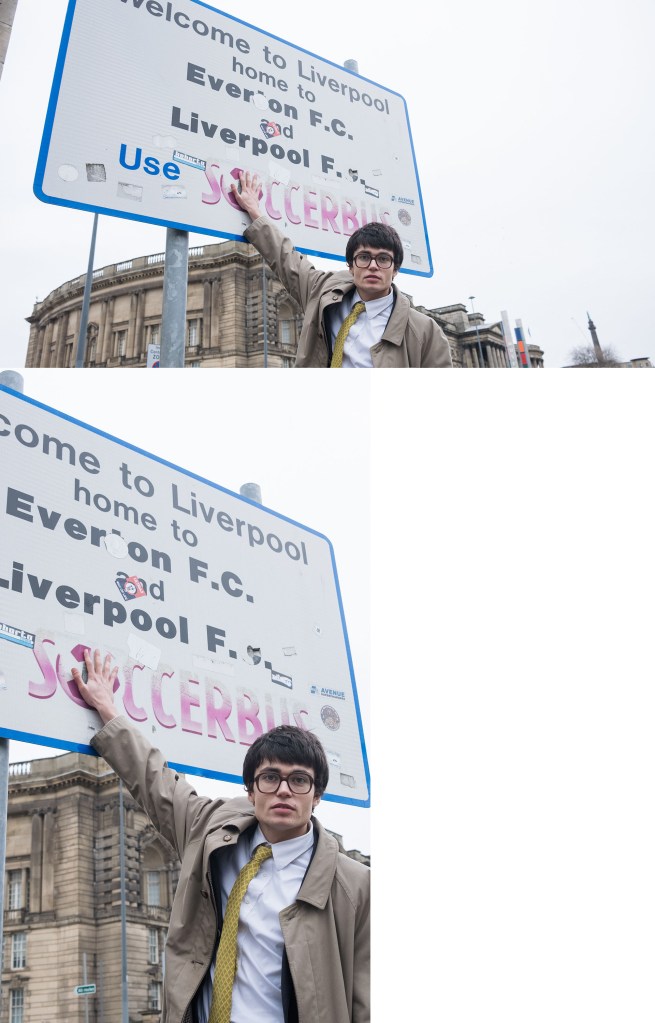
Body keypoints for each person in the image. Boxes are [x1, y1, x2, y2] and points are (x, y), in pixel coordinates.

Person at [71, 649, 369, 1023]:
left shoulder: (356, 887)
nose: (283, 791)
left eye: (299, 780)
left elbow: (366, 998)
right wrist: (107, 709)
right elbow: (156, 783)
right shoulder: (210, 830)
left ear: (317, 795)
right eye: (270, 777)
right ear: (251, 789)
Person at [231, 171, 452, 369]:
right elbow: (285, 257)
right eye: (364, 257)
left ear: (395, 269)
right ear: (351, 264)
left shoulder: (426, 331)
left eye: (383, 259)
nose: (373, 266)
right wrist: (254, 210)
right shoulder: (321, 290)